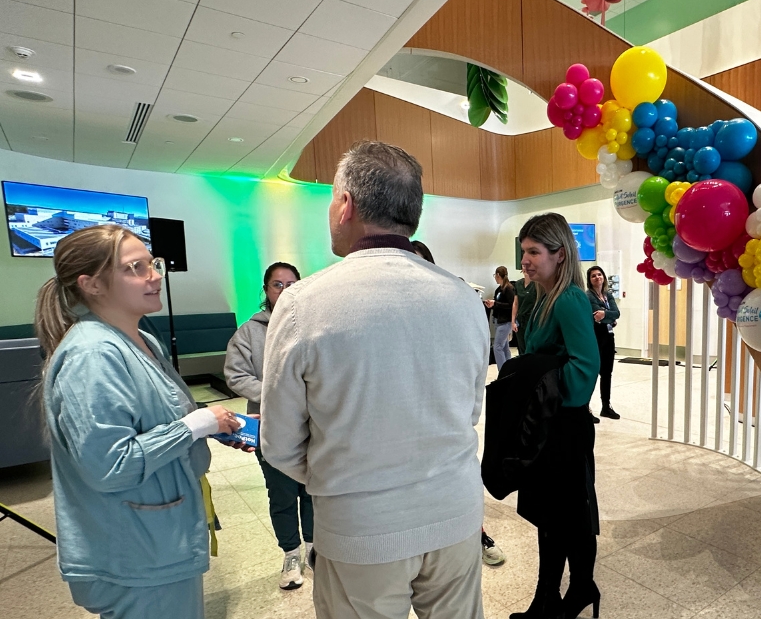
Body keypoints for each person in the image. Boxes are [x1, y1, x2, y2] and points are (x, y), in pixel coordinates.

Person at [260, 140, 490, 619]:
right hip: (455, 513)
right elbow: (470, 410)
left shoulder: (303, 304)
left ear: (345, 204)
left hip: (360, 527)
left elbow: (279, 443)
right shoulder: (464, 298)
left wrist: (345, 472)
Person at [35, 224, 241, 619]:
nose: (155, 276)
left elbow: (160, 416)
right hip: (136, 553)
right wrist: (195, 426)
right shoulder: (93, 356)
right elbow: (111, 465)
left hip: (161, 538)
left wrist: (217, 425)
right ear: (92, 284)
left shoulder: (141, 339)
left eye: (153, 263)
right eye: (136, 268)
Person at [512, 213, 601, 619]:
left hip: (564, 424)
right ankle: (547, 595)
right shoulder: (541, 298)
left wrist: (535, 384)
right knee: (552, 515)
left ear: (559, 254)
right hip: (548, 422)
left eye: (534, 252)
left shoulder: (569, 299)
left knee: (569, 515)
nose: (525, 260)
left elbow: (584, 370)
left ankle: (580, 587)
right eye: (524, 251)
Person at [409, 240, 507, 568]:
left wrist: (465, 413)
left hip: (447, 414)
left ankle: (476, 534)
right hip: (408, 417)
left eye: (421, 263)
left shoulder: (449, 307)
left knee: (458, 478)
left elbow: (471, 365)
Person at [224, 261, 315, 590]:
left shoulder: (313, 325)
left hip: (311, 426)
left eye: (292, 284)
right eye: (278, 284)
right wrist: (277, 394)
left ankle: (314, 548)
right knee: (282, 494)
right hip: (270, 427)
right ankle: (290, 554)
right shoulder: (249, 333)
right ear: (266, 290)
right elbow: (236, 375)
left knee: (312, 491)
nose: (285, 290)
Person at [586, 266, 621, 421]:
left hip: (608, 337)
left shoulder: (608, 295)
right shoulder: (589, 296)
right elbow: (596, 315)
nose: (597, 277)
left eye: (599, 274)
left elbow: (617, 313)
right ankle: (585, 407)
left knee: (607, 373)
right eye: (593, 275)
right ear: (589, 280)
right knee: (593, 373)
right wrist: (609, 317)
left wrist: (606, 315)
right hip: (595, 337)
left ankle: (606, 406)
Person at [485, 266, 516, 370]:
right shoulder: (499, 289)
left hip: (505, 321)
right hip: (498, 320)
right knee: (505, 347)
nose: (495, 277)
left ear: (498, 275)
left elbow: (511, 305)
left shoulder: (509, 289)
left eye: (495, 275)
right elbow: (498, 303)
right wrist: (492, 304)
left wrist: (496, 303)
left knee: (497, 347)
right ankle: (509, 371)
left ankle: (502, 371)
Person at [511, 266, 538, 355]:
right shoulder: (518, 284)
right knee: (521, 347)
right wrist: (513, 321)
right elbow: (515, 303)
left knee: (530, 346)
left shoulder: (537, 284)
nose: (525, 269)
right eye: (523, 267)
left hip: (531, 320)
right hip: (520, 320)